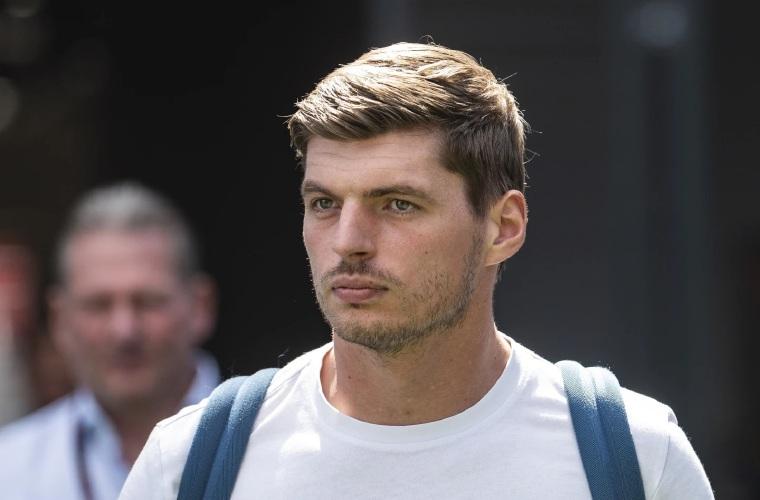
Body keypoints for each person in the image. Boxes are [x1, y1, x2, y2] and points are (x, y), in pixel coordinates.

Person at [120, 42, 713, 499]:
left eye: (398, 204)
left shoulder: (632, 458)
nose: (348, 242)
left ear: (502, 227)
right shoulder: (194, 462)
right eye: (324, 203)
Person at [0, 183, 219, 500]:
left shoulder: (275, 443)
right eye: (98, 305)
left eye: (147, 301)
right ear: (59, 319)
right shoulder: (9, 471)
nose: (124, 331)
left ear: (200, 307)